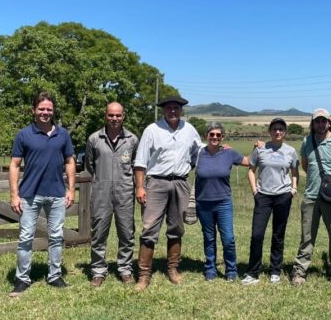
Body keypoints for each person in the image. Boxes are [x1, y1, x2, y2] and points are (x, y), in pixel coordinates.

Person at [8, 92, 76, 297]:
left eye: (49, 109)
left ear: (53, 111)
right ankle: (22, 279)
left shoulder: (63, 134)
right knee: (26, 237)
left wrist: (71, 189)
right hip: (29, 194)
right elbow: (14, 165)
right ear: (34, 111)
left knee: (56, 236)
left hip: (56, 195)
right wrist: (14, 194)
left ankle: (54, 275)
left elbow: (70, 162)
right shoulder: (24, 135)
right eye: (41, 109)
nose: (45, 112)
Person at [133, 95, 201, 291]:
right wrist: (140, 187)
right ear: (163, 110)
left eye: (176, 108)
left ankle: (173, 269)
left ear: (181, 110)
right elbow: (140, 162)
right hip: (156, 183)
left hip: (180, 182)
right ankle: (144, 275)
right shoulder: (152, 130)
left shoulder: (189, 130)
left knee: (176, 227)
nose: (173, 111)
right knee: (149, 228)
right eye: (169, 108)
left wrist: (221, 149)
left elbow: (199, 151)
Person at [291, 108, 331, 285]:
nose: (320, 124)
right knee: (307, 236)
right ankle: (300, 271)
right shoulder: (307, 141)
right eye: (317, 121)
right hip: (311, 195)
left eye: (323, 121)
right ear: (312, 123)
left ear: (329, 123)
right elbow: (305, 165)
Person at [84, 102, 139, 287]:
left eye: (118, 115)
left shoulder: (132, 139)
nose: (115, 119)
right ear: (105, 116)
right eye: (111, 115)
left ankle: (125, 269)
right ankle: (98, 271)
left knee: (126, 233)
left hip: (125, 193)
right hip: (101, 192)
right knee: (99, 233)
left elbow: (135, 166)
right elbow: (90, 166)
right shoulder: (94, 139)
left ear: (124, 116)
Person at [242, 118, 300, 285]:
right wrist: (255, 191)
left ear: (285, 132)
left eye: (281, 129)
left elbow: (295, 171)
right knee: (257, 234)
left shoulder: (290, 151)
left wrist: (294, 188)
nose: (278, 132)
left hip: (283, 195)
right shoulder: (260, 149)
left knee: (278, 234)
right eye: (274, 129)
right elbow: (251, 171)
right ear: (270, 131)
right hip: (264, 196)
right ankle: (253, 272)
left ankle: (275, 269)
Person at [194, 122, 249, 281]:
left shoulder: (229, 153)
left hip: (223, 202)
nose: (215, 137)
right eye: (212, 134)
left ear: (222, 137)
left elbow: (248, 161)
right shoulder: (198, 154)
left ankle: (231, 269)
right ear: (206, 136)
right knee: (209, 238)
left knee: (228, 238)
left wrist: (259, 147)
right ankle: (210, 268)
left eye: (218, 135)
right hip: (203, 202)